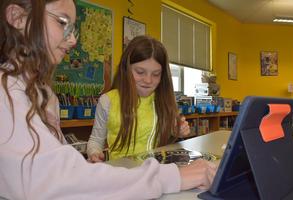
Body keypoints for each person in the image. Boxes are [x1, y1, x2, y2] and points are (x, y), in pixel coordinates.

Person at [0, 0, 217, 199]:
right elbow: (56, 181)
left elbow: (60, 168)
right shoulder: (6, 92)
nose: (73, 39)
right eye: (62, 22)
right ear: (18, 18)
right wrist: (173, 176)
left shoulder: (43, 92)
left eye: (72, 28)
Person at [87, 35, 190, 161]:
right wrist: (94, 152)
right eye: (140, 72)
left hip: (156, 172)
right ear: (126, 69)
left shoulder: (163, 100)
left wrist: (178, 132)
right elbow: (96, 140)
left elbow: (170, 136)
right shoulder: (107, 101)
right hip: (122, 174)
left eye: (156, 74)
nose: (148, 80)